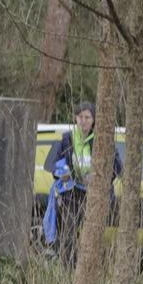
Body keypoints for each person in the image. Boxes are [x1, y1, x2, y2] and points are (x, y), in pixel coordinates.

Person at [41, 102, 117, 258]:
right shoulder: (67, 139)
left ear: (94, 119)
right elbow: (52, 163)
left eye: (87, 117)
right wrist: (61, 172)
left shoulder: (101, 141)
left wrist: (98, 179)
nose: (84, 121)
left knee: (91, 234)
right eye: (80, 117)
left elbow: (116, 167)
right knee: (69, 232)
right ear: (75, 118)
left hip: (93, 196)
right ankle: (68, 267)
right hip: (71, 194)